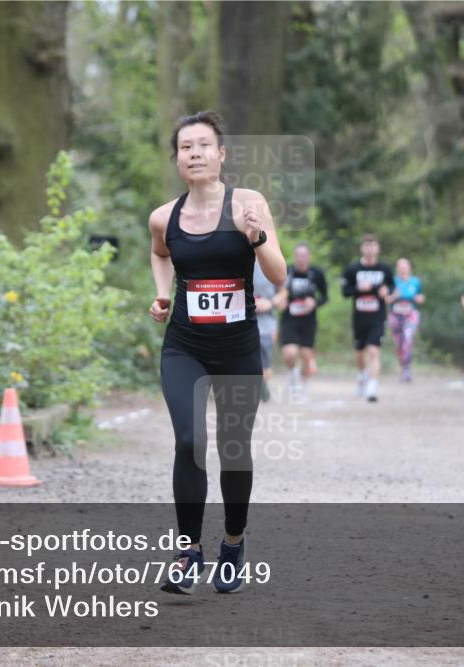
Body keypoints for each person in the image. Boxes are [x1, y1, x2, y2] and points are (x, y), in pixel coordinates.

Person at [148, 111, 285, 595]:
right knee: (189, 442)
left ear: (221, 154)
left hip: (238, 347)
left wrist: (257, 238)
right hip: (185, 346)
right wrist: (163, 294)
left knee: (233, 449)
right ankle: (188, 552)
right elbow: (161, 253)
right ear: (177, 159)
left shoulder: (248, 204)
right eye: (186, 147)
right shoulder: (164, 217)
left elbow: (279, 274)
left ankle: (232, 544)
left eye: (204, 145)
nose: (195, 154)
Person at [342, 234, 394, 402]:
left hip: (377, 317)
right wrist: (359, 288)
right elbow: (345, 291)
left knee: (373, 351)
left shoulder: (385, 269)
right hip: (359, 317)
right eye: (367, 246)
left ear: (378, 248)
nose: (370, 249)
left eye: (373, 246)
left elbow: (392, 286)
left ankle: (372, 387)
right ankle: (363, 374)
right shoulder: (353, 269)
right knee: (359, 353)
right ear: (361, 248)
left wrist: (387, 291)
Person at [275, 243, 328, 399]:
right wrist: (280, 301)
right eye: (298, 255)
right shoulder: (287, 272)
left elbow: (325, 296)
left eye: (304, 255)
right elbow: (276, 290)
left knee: (306, 355)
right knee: (290, 353)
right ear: (294, 256)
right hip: (289, 318)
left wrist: (315, 302)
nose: (301, 259)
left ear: (309, 257)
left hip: (308, 320)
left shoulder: (316, 273)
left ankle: (303, 387)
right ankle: (292, 373)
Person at [387, 257, 424, 383]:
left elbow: (420, 296)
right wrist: (394, 296)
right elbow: (386, 299)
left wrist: (419, 298)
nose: (402, 269)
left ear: (409, 268)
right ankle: (403, 369)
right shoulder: (392, 281)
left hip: (410, 314)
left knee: (408, 340)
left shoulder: (415, 282)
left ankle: (407, 369)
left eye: (405, 266)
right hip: (395, 315)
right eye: (400, 266)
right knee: (399, 344)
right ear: (397, 268)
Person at [253, 260, 279, 402]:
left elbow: (284, 293)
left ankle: (261, 384)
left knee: (265, 366)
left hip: (266, 324)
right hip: (240, 320)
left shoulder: (270, 260)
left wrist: (270, 303)